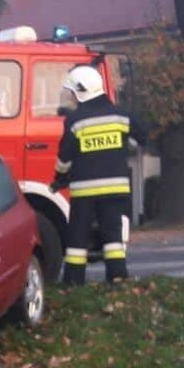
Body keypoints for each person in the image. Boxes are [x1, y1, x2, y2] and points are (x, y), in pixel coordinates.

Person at [49, 65, 132, 285]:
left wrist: (59, 179)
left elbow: (64, 157)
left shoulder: (75, 121)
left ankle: (74, 283)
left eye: (73, 93)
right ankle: (117, 279)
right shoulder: (121, 115)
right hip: (116, 188)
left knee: (77, 239)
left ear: (80, 91)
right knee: (113, 238)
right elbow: (142, 136)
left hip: (85, 191)